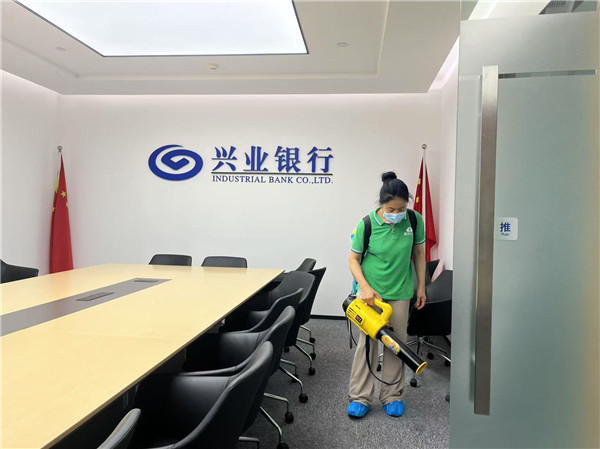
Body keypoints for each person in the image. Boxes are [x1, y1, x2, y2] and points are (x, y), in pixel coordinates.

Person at [347, 171, 427, 418]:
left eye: (401, 208)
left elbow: (420, 254)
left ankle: (392, 395)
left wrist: (421, 287)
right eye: (391, 209)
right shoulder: (367, 224)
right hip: (371, 295)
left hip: (401, 291)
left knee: (396, 345)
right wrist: (364, 287)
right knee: (367, 345)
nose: (396, 213)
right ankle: (360, 396)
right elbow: (353, 259)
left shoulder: (414, 220)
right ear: (382, 204)